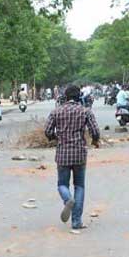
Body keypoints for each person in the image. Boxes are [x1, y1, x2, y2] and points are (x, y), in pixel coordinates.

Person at [45, 85, 100, 233]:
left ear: (64, 97)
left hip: (62, 153)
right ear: (79, 96)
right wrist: (95, 141)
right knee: (79, 186)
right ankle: (76, 221)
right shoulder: (85, 111)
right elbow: (95, 131)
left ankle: (67, 198)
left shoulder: (56, 112)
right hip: (79, 153)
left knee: (62, 184)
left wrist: (55, 138)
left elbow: (48, 131)